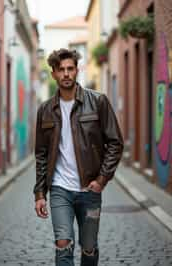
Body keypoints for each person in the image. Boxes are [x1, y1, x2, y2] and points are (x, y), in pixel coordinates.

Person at [34, 48, 124, 266]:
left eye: (70, 69)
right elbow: (41, 154)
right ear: (54, 73)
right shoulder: (45, 110)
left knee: (89, 248)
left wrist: (102, 179)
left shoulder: (98, 102)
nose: (66, 74)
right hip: (59, 189)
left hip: (90, 190)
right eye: (61, 69)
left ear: (77, 71)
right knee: (63, 243)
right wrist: (39, 193)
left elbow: (115, 142)